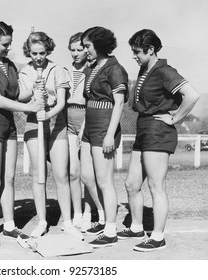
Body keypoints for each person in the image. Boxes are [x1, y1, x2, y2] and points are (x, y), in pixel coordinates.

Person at [117, 29, 200, 252]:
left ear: (151, 49)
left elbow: (192, 94)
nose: (134, 55)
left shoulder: (164, 71)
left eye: (137, 52)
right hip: (143, 128)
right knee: (132, 184)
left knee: (156, 186)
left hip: (158, 130)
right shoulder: (145, 69)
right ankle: (135, 227)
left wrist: (176, 117)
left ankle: (157, 237)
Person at [0, 21, 43, 247]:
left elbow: (15, 95)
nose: (8, 47)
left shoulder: (10, 65)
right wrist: (30, 108)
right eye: (5, 44)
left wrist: (34, 90)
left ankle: (9, 225)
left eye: (10, 43)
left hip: (8, 123)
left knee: (9, 177)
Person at [18, 31, 84, 240]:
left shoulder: (58, 70)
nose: (38, 57)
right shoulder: (24, 72)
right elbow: (20, 98)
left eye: (42, 53)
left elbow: (62, 102)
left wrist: (47, 113)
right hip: (33, 124)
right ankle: (43, 221)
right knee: (39, 174)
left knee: (61, 174)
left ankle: (68, 221)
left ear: (48, 50)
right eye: (34, 53)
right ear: (29, 51)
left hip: (56, 124)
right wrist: (32, 90)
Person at [80, 26, 129, 247]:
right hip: (89, 128)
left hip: (104, 128)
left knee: (105, 181)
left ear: (99, 45)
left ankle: (110, 231)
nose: (85, 50)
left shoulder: (115, 69)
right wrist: (84, 128)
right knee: (87, 177)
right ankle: (102, 218)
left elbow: (119, 103)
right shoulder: (91, 68)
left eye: (87, 46)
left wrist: (110, 134)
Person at [66, 32, 105, 233]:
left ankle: (90, 214)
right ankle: (77, 214)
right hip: (67, 121)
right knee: (73, 172)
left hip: (86, 120)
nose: (76, 53)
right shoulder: (64, 71)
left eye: (80, 49)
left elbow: (91, 101)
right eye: (72, 50)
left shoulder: (92, 71)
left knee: (87, 174)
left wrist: (83, 129)